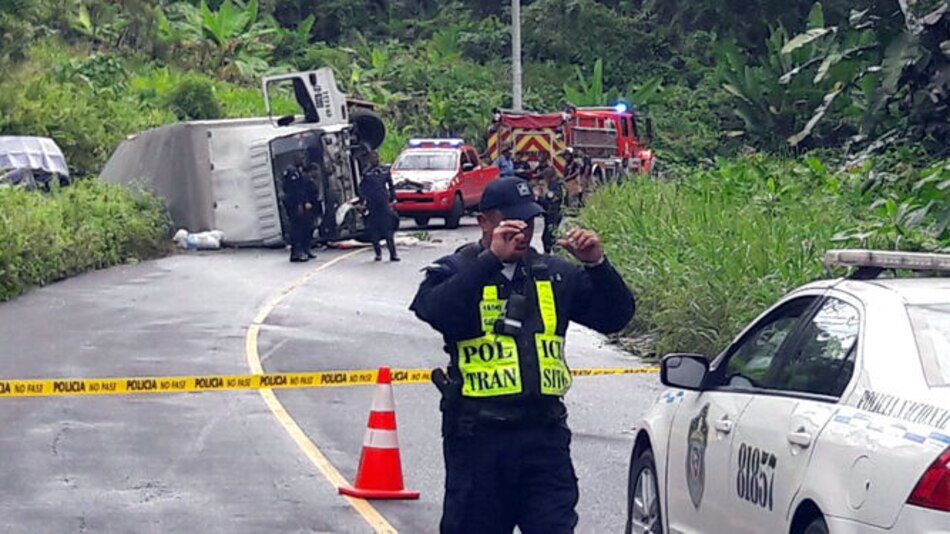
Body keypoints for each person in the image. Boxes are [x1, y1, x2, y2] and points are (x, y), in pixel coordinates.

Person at [410, 177, 636, 534]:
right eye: (510, 224)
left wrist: (597, 265)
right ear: (484, 222)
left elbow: (616, 317)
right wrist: (490, 260)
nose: (522, 232)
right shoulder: (456, 272)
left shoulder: (554, 274)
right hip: (478, 441)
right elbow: (437, 311)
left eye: (528, 223)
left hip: (543, 438)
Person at [358, 150, 400, 262]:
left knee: (388, 230)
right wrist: (363, 202)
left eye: (375, 157)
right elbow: (362, 189)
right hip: (372, 204)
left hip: (383, 203)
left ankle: (393, 254)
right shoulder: (366, 173)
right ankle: (378, 253)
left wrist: (393, 198)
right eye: (371, 158)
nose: (373, 160)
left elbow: (390, 185)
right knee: (374, 230)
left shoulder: (384, 171)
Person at [282, 153, 319, 262]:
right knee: (296, 228)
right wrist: (300, 204)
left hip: (298, 203)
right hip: (293, 204)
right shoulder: (292, 172)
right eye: (300, 158)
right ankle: (296, 252)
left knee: (303, 227)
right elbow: (295, 190)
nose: (302, 160)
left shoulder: (298, 171)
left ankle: (304, 249)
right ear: (295, 159)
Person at [535, 154, 564, 254]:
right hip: (550, 213)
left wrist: (541, 196)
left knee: (549, 237)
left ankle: (554, 254)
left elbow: (552, 198)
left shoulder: (554, 185)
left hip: (553, 213)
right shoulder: (552, 185)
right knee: (547, 236)